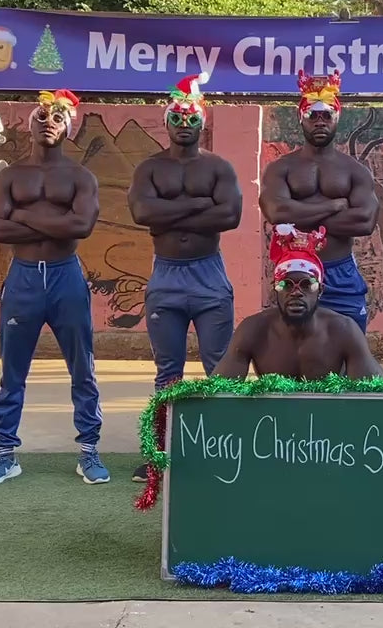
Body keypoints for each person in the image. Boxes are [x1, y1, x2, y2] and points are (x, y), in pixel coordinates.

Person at [0, 89, 107, 487]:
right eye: (42, 116)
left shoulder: (80, 177)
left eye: (58, 117)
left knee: (82, 367)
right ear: (30, 124)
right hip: (24, 277)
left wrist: (23, 216)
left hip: (66, 276)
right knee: (12, 370)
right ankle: (4, 454)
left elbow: (81, 226)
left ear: (68, 127)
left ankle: (89, 451)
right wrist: (55, 222)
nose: (49, 122)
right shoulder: (10, 176)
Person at [128, 74, 241, 482]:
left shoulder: (218, 167)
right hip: (166, 275)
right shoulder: (150, 168)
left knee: (220, 367)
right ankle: (162, 452)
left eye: (192, 117)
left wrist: (169, 212)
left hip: (209, 273)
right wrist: (200, 204)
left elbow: (231, 215)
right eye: (176, 116)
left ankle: (228, 450)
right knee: (167, 372)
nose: (184, 123)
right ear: (166, 120)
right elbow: (142, 213)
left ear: (202, 122)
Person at [258, 70, 378, 331]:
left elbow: (364, 221)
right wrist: (333, 206)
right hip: (294, 273)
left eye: (327, 115)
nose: (320, 121)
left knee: (349, 344)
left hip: (341, 272)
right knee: (293, 349)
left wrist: (300, 216)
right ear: (301, 118)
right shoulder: (281, 168)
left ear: (337, 118)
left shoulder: (355, 171)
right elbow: (277, 212)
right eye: (313, 115)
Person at [213, 224, 383, 380]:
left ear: (320, 290)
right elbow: (220, 391)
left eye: (307, 285)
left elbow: (375, 391)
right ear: (275, 290)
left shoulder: (344, 330)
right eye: (286, 285)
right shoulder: (253, 329)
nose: (296, 292)